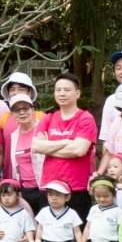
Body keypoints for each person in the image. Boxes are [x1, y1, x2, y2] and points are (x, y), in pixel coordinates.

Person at [31, 75, 97, 216]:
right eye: (58, 90)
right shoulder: (48, 118)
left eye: (67, 90)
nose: (62, 93)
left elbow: (79, 150)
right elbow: (36, 146)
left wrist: (48, 148)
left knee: (76, 234)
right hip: (49, 189)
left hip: (76, 188)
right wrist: (66, 142)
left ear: (77, 93)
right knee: (49, 234)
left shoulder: (85, 118)